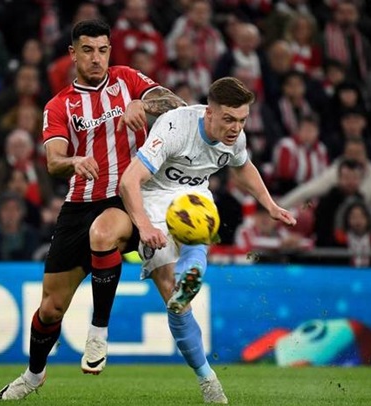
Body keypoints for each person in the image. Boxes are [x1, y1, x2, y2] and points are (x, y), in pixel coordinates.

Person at [0, 19, 186, 400]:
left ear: (110, 51)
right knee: (51, 308)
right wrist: (75, 161)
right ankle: (33, 375)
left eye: (102, 50)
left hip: (127, 197)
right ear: (73, 53)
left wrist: (143, 103)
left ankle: (98, 331)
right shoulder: (58, 105)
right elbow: (53, 161)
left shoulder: (127, 79)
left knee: (105, 233)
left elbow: (177, 106)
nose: (96, 58)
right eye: (87, 50)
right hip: (79, 205)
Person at [118, 77, 296, 403]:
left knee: (192, 249)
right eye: (228, 119)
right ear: (208, 112)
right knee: (171, 293)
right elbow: (129, 181)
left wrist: (270, 205)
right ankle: (206, 376)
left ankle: (191, 273)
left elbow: (243, 167)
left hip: (194, 198)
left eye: (242, 120)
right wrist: (143, 226)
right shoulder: (175, 127)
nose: (235, 127)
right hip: (153, 198)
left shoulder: (235, 137)